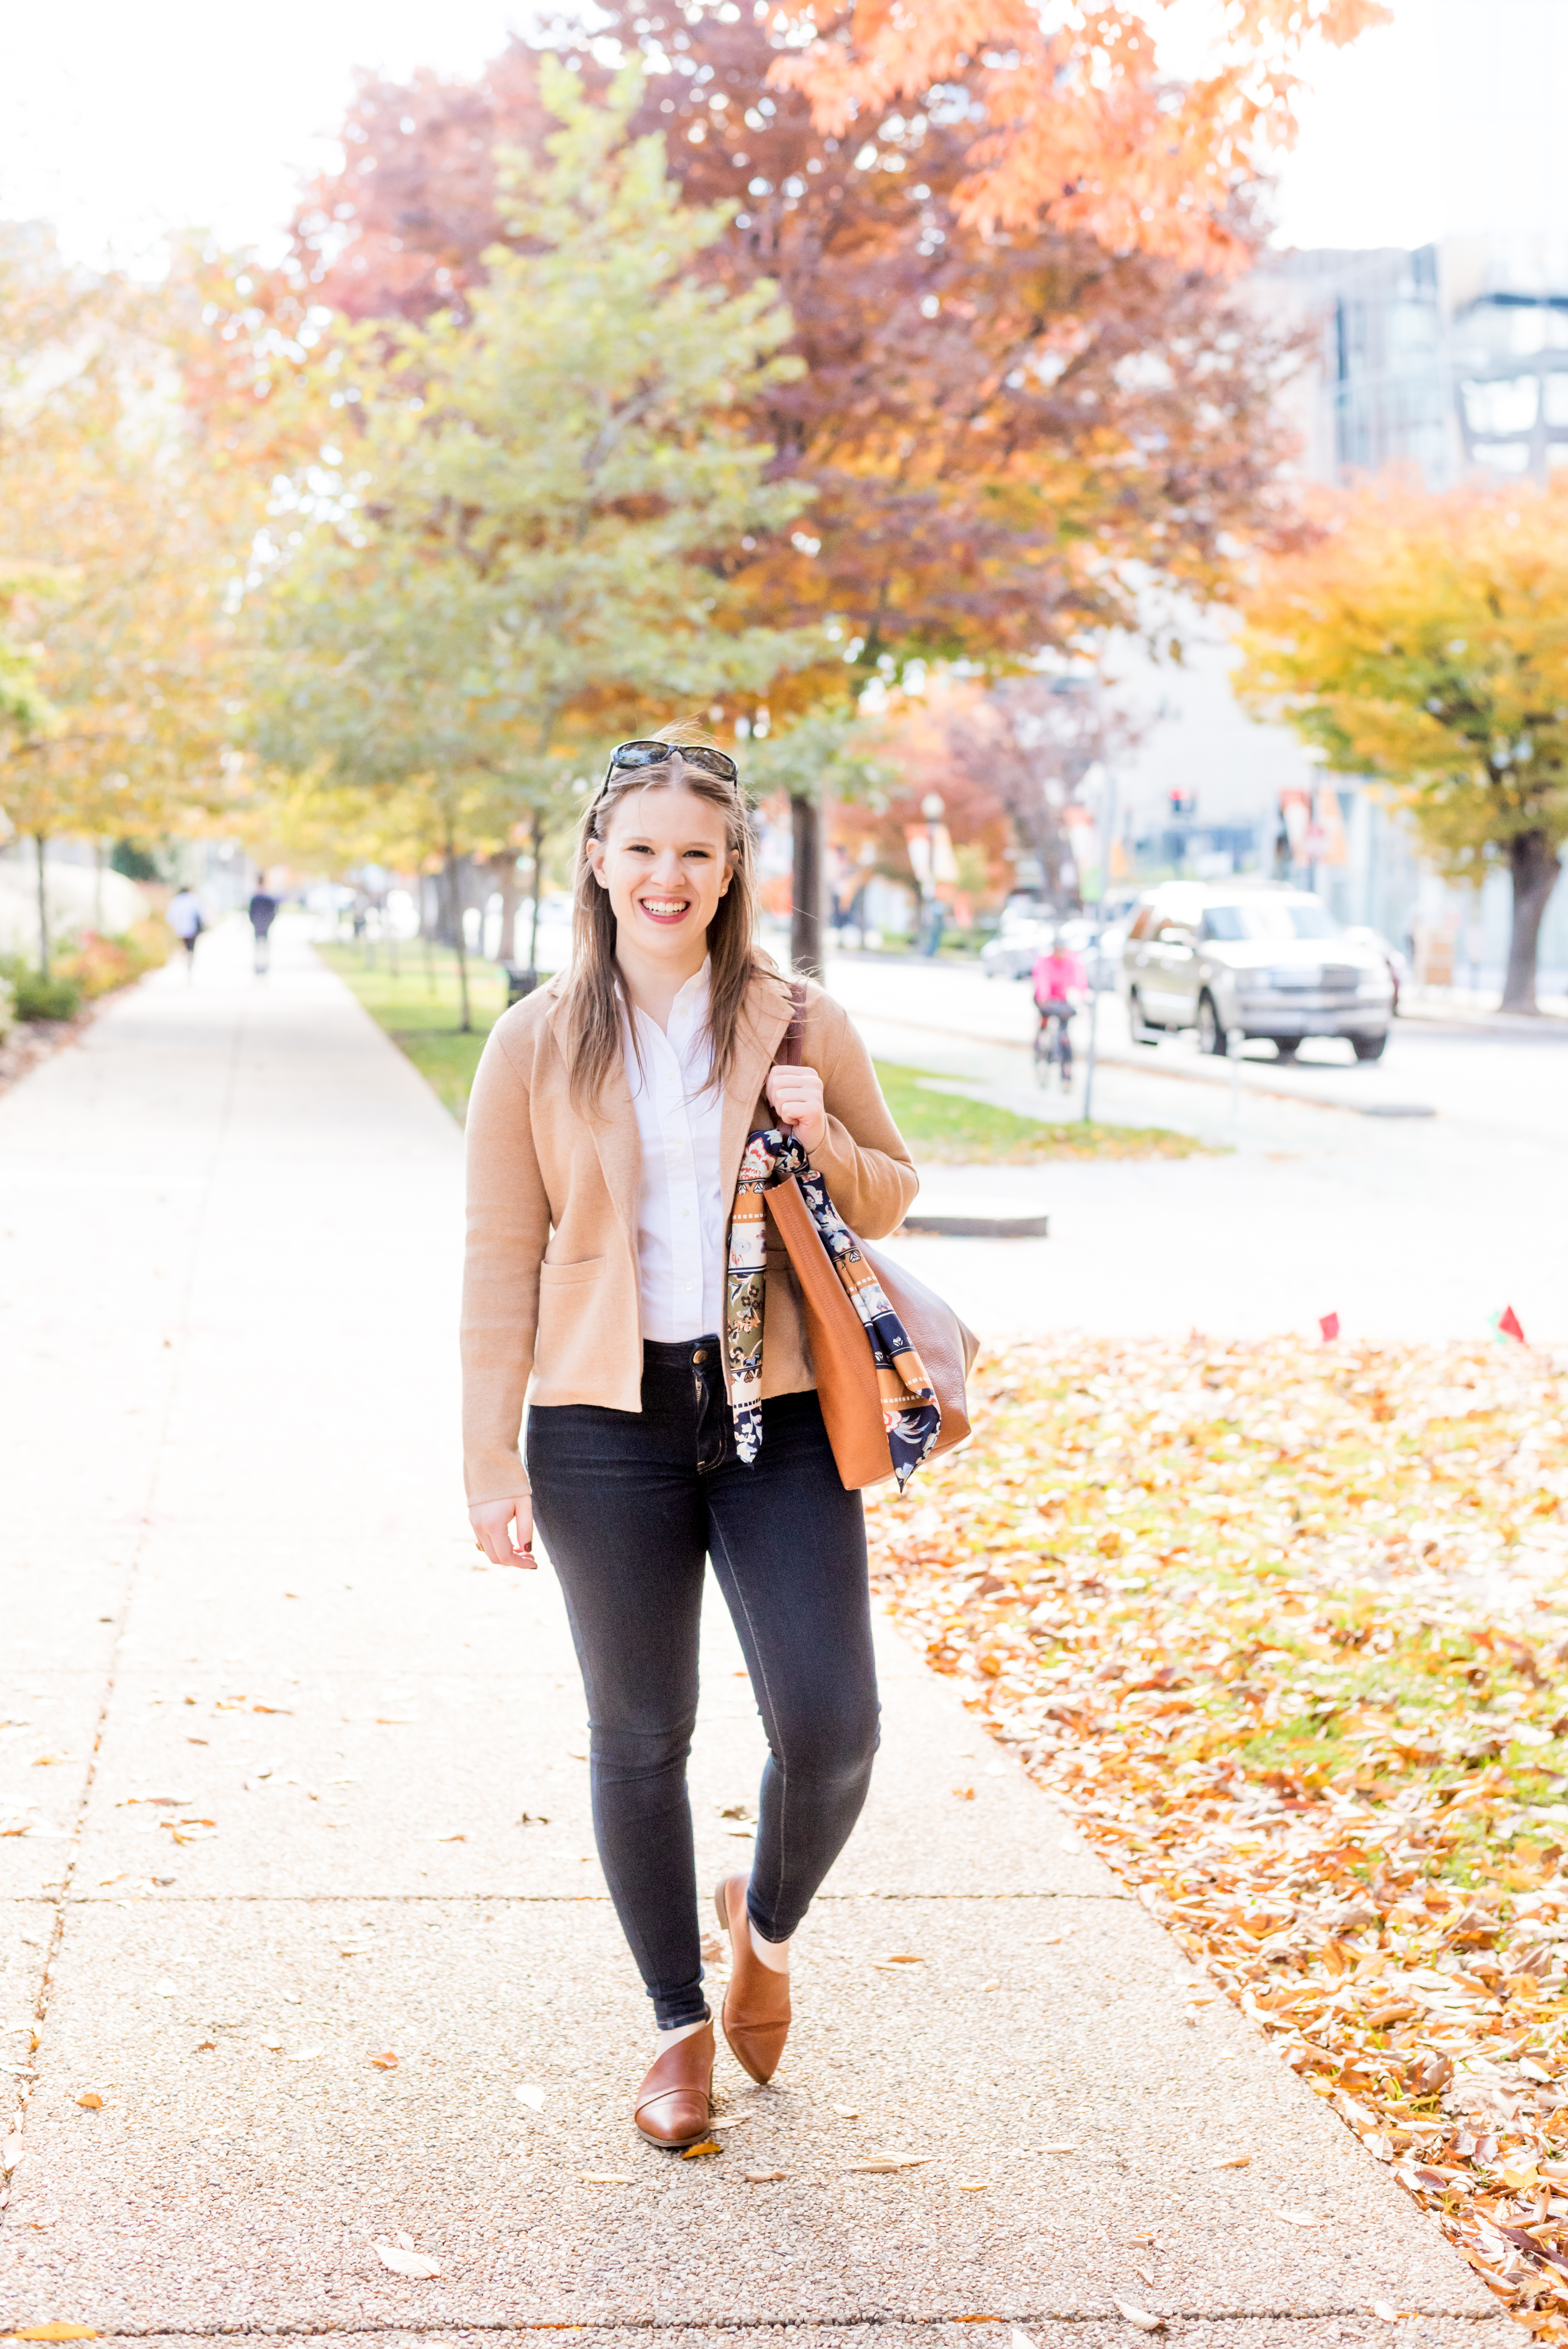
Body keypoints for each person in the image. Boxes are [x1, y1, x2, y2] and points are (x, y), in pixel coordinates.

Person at [464, 735, 917, 2149]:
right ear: (597, 856)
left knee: (835, 1726)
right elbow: (498, 1256)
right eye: (643, 847)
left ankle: (762, 1921)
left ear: (732, 874)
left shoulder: (796, 1021)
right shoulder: (535, 1038)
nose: (669, 876)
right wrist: (489, 1460)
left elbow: (891, 1193)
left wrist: (814, 1128)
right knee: (641, 1730)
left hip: (772, 1415)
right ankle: (676, 2025)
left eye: (698, 854)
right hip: (602, 1428)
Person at [1032, 930, 1086, 1087]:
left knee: (1065, 1035)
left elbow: (1078, 982)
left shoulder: (1071, 962)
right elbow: (1042, 981)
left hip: (1063, 1001)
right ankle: (1040, 1043)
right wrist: (1043, 999)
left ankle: (1066, 1076)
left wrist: (1081, 998)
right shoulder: (1045, 962)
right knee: (1045, 1019)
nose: (1060, 953)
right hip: (1046, 1000)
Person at [166, 888, 203, 976]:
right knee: (191, 949)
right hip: (192, 930)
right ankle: (189, 964)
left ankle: (184, 960)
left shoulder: (177, 901)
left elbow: (170, 917)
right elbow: (202, 915)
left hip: (180, 930)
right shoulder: (194, 900)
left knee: (183, 947)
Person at [247, 878, 280, 975]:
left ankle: (259, 969)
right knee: (265, 949)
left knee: (258, 949)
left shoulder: (255, 898)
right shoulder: (268, 898)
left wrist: (255, 923)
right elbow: (274, 912)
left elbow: (251, 913)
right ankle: (264, 969)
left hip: (258, 926)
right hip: (265, 926)